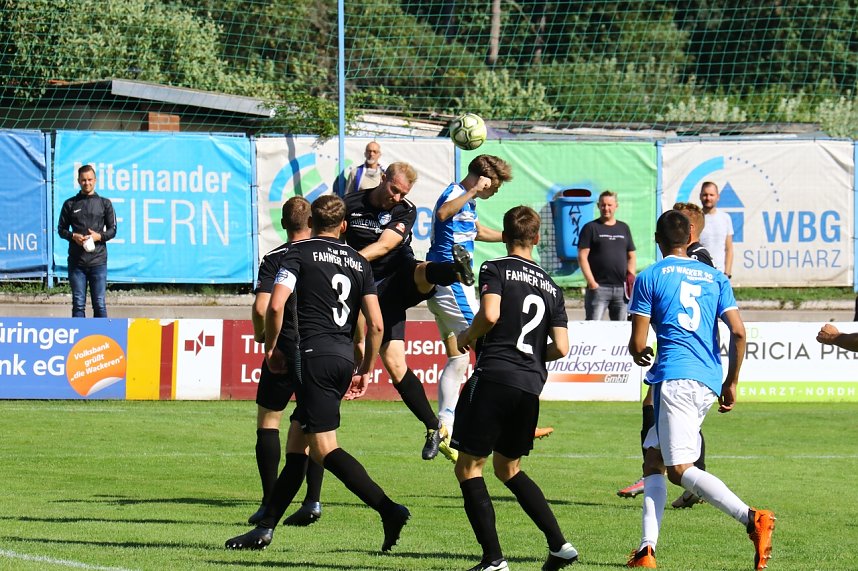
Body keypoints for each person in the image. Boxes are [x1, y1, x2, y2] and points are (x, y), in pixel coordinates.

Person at [225, 195, 410, 553]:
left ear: (312, 223)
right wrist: (365, 368)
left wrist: (271, 347)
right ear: (344, 226)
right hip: (342, 359)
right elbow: (375, 324)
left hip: (312, 358)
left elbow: (274, 305)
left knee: (325, 448)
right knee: (298, 446)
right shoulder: (359, 261)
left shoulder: (297, 252)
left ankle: (390, 510)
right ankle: (265, 529)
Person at [626, 209, 775, 570]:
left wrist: (640, 351)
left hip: (675, 378)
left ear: (657, 240)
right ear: (691, 237)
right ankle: (646, 551)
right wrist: (732, 381)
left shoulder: (650, 276)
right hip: (707, 378)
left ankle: (752, 518)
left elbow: (638, 343)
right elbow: (738, 332)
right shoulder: (716, 277)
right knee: (653, 460)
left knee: (679, 470)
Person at [453, 205, 579, 571]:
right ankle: (559, 545)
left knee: (469, 468)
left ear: (504, 236)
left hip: (495, 376)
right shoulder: (552, 287)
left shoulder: (494, 268)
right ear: (536, 238)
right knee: (508, 468)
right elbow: (562, 347)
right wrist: (533, 356)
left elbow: (490, 314)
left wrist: (467, 336)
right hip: (529, 385)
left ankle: (493, 559)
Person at [344, 162, 473, 462]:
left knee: (421, 271)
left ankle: (454, 271)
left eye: (403, 193)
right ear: (383, 178)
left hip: (397, 278)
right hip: (370, 291)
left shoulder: (405, 210)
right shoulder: (349, 204)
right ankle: (434, 427)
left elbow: (384, 245)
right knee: (395, 365)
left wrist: (346, 261)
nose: (397, 197)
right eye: (394, 190)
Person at [617, 202, 712, 508]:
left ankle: (686, 475)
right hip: (690, 351)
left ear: (689, 229)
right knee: (666, 410)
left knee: (662, 409)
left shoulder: (694, 260)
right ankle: (663, 469)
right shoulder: (699, 261)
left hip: (683, 349)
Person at [425, 154, 511, 457]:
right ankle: (502, 424)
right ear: (484, 179)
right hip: (451, 283)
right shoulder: (456, 193)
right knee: (486, 347)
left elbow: (476, 231)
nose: (496, 191)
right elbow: (442, 214)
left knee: (459, 358)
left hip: (449, 286)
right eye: (495, 185)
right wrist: (473, 190)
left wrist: (510, 237)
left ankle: (444, 428)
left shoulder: (467, 202)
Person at [247, 196, 325, 527]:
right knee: (317, 425)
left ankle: (269, 502)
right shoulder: (327, 255)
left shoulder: (276, 257)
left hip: (285, 347)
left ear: (283, 224)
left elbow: (262, 307)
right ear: (313, 222)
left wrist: (263, 337)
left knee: (269, 421)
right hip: (321, 350)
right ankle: (312, 500)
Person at [57, 164, 117, 318]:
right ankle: (79, 333)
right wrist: (73, 236)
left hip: (98, 261)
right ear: (78, 181)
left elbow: (113, 230)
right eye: (83, 180)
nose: (87, 183)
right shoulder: (70, 204)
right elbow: (61, 229)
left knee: (99, 303)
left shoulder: (105, 203)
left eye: (90, 179)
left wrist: (99, 237)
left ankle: (102, 333)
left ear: (95, 180)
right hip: (77, 263)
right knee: (78, 303)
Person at [578, 190, 636, 321]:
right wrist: (592, 283)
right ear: (598, 206)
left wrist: (630, 277)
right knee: (593, 326)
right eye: (603, 205)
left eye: (609, 205)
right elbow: (582, 257)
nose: (606, 208)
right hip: (598, 289)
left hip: (621, 290)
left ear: (616, 206)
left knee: (621, 329)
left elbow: (631, 255)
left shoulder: (624, 228)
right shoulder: (590, 228)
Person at [698, 181, 734, 277]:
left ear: (718, 197)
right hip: (700, 273)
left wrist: (727, 274)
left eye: (711, 195)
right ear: (700, 196)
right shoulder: (695, 218)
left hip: (720, 274)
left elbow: (729, 248)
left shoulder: (725, 218)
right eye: (705, 195)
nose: (708, 198)